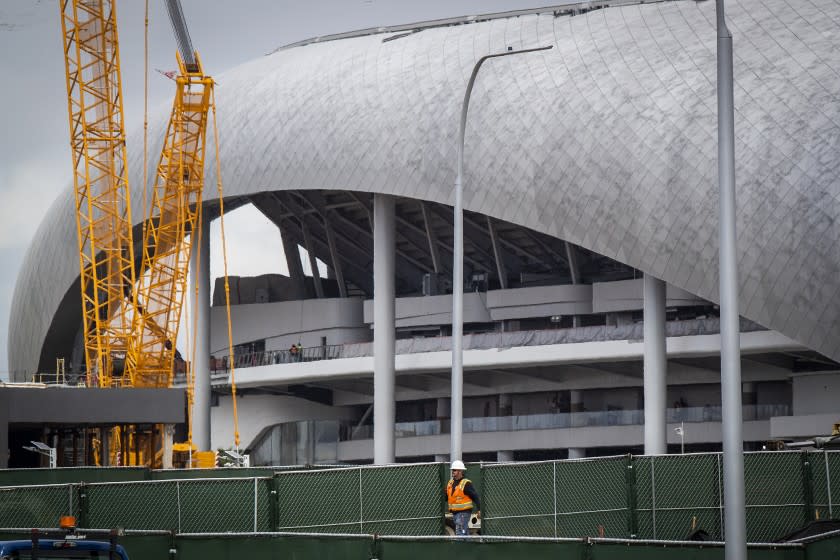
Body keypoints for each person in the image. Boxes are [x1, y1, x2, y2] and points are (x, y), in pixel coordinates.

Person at [445, 460, 480, 536]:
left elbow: (475, 496)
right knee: (463, 532)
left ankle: (461, 547)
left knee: (460, 532)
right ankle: (467, 547)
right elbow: (446, 496)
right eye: (452, 470)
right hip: (455, 513)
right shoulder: (450, 483)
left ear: (460, 471)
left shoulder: (466, 483)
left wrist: (480, 509)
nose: (452, 472)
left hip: (463, 513)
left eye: (454, 470)